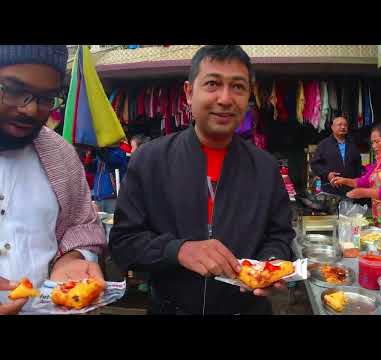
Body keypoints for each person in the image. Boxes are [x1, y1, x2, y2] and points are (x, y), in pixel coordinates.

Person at [109, 45, 295, 315]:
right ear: (188, 93)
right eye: (212, 84)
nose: (225, 98)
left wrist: (269, 264)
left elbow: (279, 235)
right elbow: (124, 242)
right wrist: (178, 250)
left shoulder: (265, 167)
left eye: (238, 87)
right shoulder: (149, 160)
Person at [0, 45, 106, 315]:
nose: (31, 109)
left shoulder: (60, 154)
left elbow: (81, 225)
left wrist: (72, 258)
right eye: (14, 90)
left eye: (46, 98)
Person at [310, 114, 362, 196]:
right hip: (330, 188)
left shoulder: (352, 144)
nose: (343, 127)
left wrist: (358, 182)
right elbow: (314, 164)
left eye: (345, 125)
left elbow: (358, 165)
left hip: (350, 188)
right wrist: (327, 174)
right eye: (339, 125)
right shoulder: (324, 144)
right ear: (332, 127)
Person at [92, 147, 128, 213]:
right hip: (98, 197)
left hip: (112, 198)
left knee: (112, 222)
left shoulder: (119, 151)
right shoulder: (100, 153)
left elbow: (112, 160)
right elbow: (90, 169)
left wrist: (101, 149)